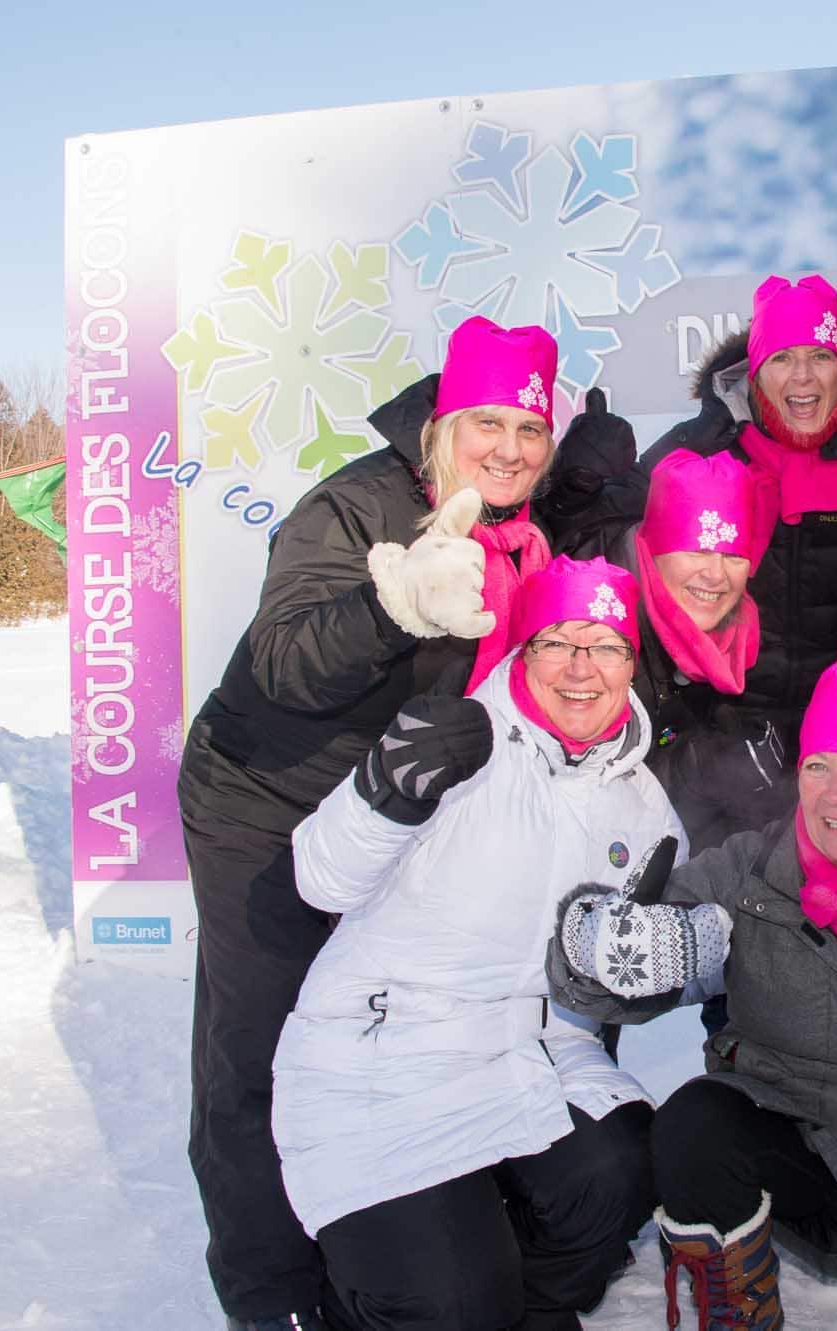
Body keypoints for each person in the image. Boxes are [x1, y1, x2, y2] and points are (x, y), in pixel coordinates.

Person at [178, 316, 565, 1330]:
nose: (512, 447)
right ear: (443, 422)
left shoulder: (519, 516)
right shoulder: (355, 507)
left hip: (385, 807)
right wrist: (391, 607)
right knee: (259, 1051)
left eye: (532, 428)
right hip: (265, 799)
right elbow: (281, 658)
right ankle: (272, 1296)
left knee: (387, 1032)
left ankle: (374, 1262)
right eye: (489, 421)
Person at [273, 555, 683, 1330]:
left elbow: (630, 970)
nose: (581, 668)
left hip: (533, 1051)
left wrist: (658, 962)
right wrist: (385, 786)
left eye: (606, 646)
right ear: (522, 650)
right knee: (451, 1303)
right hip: (384, 1055)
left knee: (629, 1163)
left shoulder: (644, 804)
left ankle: (528, 1307)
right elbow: (319, 879)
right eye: (557, 641)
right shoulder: (462, 741)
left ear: (634, 663)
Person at [549, 658, 837, 1330]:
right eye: (820, 765)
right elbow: (597, 966)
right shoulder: (751, 866)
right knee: (692, 1124)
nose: (835, 795)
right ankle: (737, 1309)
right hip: (783, 1129)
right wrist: (606, 945)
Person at [638, 273, 837, 1035]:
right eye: (783, 359)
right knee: (741, 956)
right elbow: (621, 564)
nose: (803, 377)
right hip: (733, 750)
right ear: (751, 373)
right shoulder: (701, 448)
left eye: (819, 357)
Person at [613, 448, 773, 850]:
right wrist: (692, 771)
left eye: (733, 555)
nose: (716, 575)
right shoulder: (604, 639)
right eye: (697, 550)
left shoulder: (737, 635)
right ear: (654, 551)